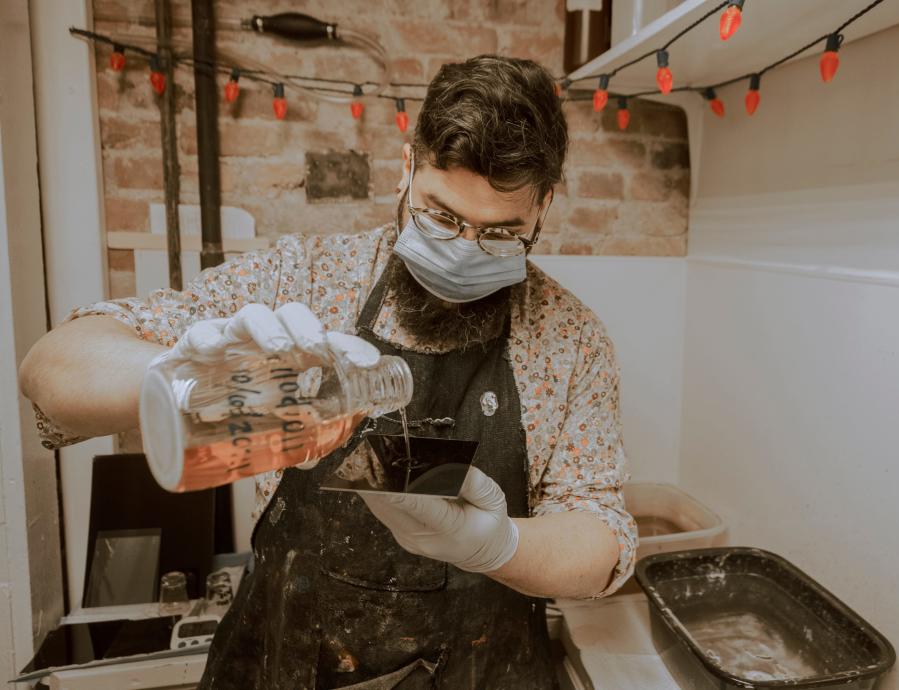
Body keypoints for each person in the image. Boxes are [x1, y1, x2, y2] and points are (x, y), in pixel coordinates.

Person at [20, 55, 638, 689]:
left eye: (502, 233)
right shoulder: (309, 279)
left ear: (543, 207)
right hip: (287, 662)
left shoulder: (569, 339)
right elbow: (52, 371)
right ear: (406, 169)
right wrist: (179, 369)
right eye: (442, 216)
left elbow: (601, 542)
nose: (462, 252)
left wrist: (499, 545)